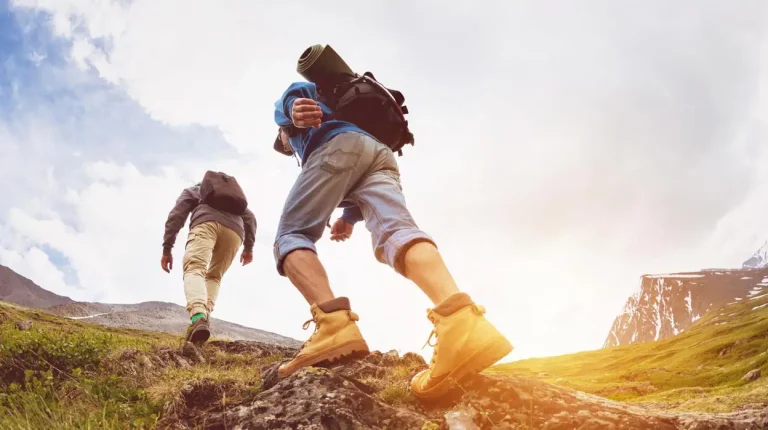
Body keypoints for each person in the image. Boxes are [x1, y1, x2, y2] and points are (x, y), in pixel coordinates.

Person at [271, 44, 512, 400]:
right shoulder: (350, 113)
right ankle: (460, 320)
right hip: (380, 155)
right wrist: (350, 218)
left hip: (338, 145)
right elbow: (355, 171)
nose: (286, 146)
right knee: (398, 232)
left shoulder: (300, 117)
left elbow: (290, 99)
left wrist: (290, 112)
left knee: (291, 235)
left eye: (283, 143)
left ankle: (334, 326)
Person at [161, 177, 257, 345]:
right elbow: (250, 218)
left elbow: (177, 214)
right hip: (235, 233)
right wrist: (248, 248)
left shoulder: (195, 191)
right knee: (214, 277)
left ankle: (199, 317)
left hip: (206, 224)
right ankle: (203, 319)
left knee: (194, 268)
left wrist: (167, 248)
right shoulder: (235, 200)